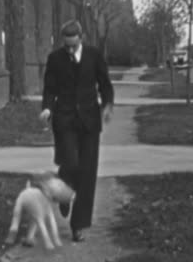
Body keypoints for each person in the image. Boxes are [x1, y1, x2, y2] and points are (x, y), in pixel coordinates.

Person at [39, 20, 114, 242]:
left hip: (90, 122)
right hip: (65, 120)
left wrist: (107, 105)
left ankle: (78, 225)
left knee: (87, 173)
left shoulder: (94, 55)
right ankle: (63, 192)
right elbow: (49, 88)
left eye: (73, 45)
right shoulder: (55, 59)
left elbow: (105, 84)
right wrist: (46, 109)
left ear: (81, 38)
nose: (70, 50)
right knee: (70, 163)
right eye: (66, 46)